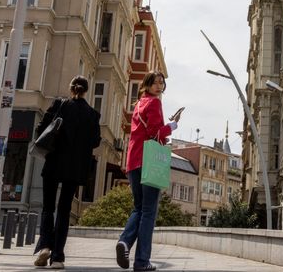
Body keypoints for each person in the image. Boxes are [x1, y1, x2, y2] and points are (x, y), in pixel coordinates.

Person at [33, 75, 101, 269]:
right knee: (64, 211)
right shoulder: (93, 115)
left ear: (71, 88)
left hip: (54, 162)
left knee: (48, 207)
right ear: (86, 90)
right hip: (75, 168)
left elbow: (41, 128)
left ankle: (45, 245)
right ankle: (58, 258)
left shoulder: (59, 105)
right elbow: (95, 141)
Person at [116, 71, 179, 271]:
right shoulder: (154, 103)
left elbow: (144, 133)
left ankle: (125, 242)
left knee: (139, 208)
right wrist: (172, 125)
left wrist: (163, 131)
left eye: (162, 83)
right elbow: (155, 133)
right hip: (149, 161)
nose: (160, 87)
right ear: (148, 85)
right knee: (149, 211)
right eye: (156, 83)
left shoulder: (138, 105)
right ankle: (142, 261)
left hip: (133, 161)